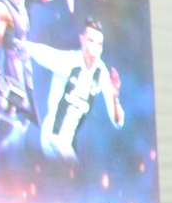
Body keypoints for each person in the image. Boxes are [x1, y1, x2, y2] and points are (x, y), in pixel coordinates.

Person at [26, 18, 123, 159]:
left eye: (99, 44)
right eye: (90, 41)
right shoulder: (69, 61)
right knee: (73, 168)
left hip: (68, 142)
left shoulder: (101, 72)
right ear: (82, 40)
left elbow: (118, 122)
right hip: (52, 137)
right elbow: (42, 52)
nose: (95, 48)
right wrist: (18, 43)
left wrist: (115, 98)